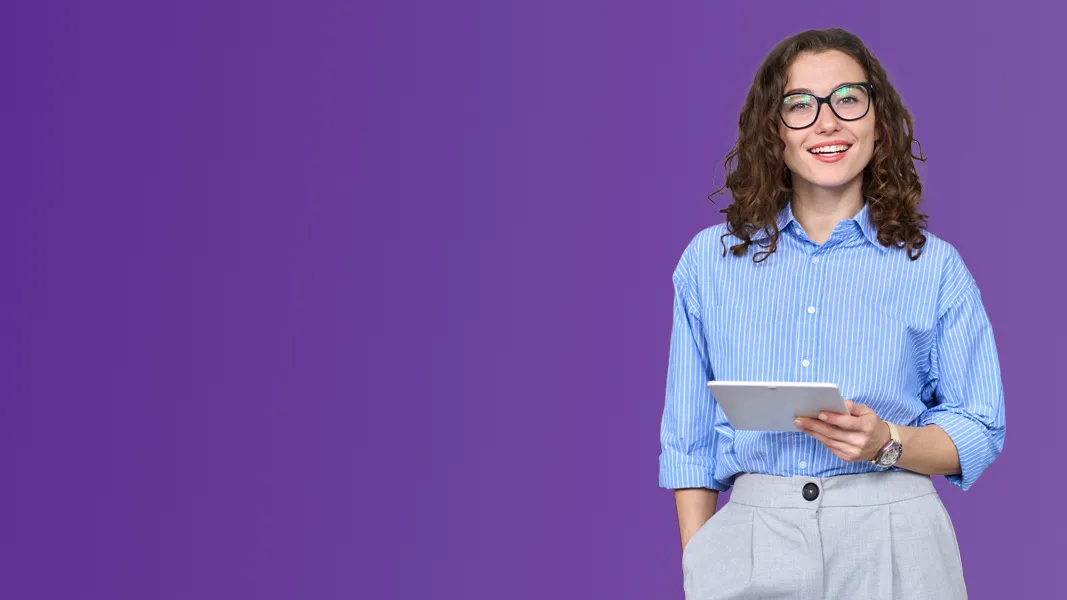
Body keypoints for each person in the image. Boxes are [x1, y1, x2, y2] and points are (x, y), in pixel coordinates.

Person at [658, 28, 1005, 600]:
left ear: (878, 118)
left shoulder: (935, 268)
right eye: (800, 106)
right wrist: (701, 563)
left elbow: (981, 427)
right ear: (775, 132)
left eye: (847, 98)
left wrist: (887, 441)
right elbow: (688, 440)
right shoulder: (709, 263)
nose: (827, 122)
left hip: (897, 540)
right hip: (751, 540)